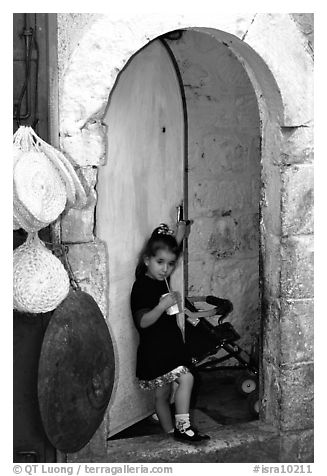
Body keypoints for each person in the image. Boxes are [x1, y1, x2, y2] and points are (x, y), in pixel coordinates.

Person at [130, 222, 210, 442]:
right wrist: (161, 307)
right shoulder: (142, 287)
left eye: (171, 264)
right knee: (184, 381)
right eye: (160, 262)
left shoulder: (160, 280)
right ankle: (181, 429)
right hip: (156, 350)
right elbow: (144, 322)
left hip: (169, 346)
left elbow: (169, 251)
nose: (165, 268)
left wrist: (179, 236)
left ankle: (170, 434)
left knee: (164, 394)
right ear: (147, 260)